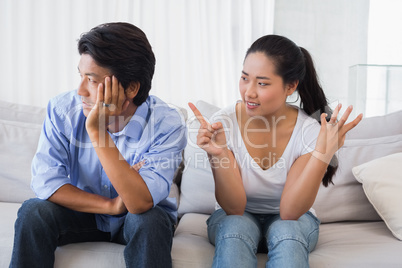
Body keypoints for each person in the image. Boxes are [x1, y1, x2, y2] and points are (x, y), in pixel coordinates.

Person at [10, 22, 186, 268]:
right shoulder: (62, 110)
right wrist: (110, 206)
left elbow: (139, 202)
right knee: (33, 212)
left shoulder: (166, 123)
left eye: (91, 80)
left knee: (149, 220)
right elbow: (45, 182)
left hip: (138, 218)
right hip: (83, 214)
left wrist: (96, 131)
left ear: (131, 87)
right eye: (80, 76)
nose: (80, 90)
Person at [189, 35, 362, 267]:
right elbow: (234, 208)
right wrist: (218, 153)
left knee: (287, 230)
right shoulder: (224, 123)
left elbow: (290, 212)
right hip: (236, 217)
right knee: (236, 226)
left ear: (290, 86)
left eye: (262, 83)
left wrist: (323, 154)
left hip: (292, 220)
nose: (249, 92)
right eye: (244, 78)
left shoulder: (308, 129)